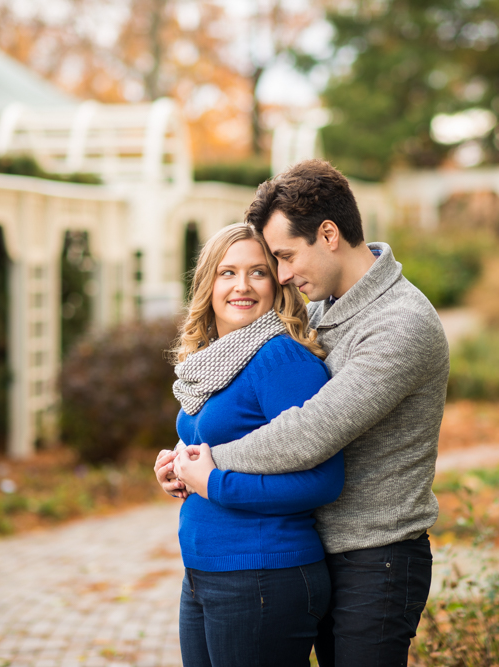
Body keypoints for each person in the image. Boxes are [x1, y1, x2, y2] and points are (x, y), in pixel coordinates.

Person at [159, 159, 449, 667]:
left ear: (329, 234)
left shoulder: (402, 324)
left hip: (374, 556)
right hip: (311, 545)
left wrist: (206, 466)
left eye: (285, 257)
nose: (283, 276)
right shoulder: (318, 311)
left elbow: (309, 432)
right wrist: (186, 460)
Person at [161, 222, 345, 667]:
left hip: (263, 574)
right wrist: (177, 463)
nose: (241, 286)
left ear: (277, 282)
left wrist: (214, 482)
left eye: (258, 272)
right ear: (208, 283)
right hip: (206, 570)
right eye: (227, 273)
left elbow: (324, 481)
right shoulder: (216, 359)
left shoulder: (280, 359)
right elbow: (213, 440)